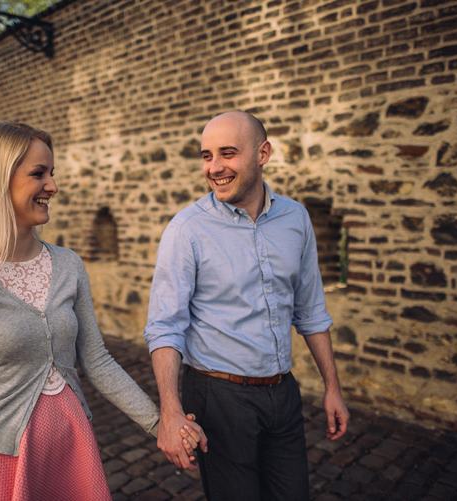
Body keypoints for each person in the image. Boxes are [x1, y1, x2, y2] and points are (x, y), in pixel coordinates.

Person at [0, 121, 204, 501]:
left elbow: (97, 360)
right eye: (39, 174)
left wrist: (160, 424)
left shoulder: (68, 265)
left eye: (52, 173)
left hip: (71, 452)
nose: (52, 186)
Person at [144, 111, 350, 500]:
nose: (214, 168)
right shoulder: (187, 230)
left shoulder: (295, 218)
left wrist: (332, 388)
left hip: (283, 392)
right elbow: (165, 327)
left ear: (263, 153)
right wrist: (170, 412)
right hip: (218, 397)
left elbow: (310, 310)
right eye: (207, 156)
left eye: (228, 153)